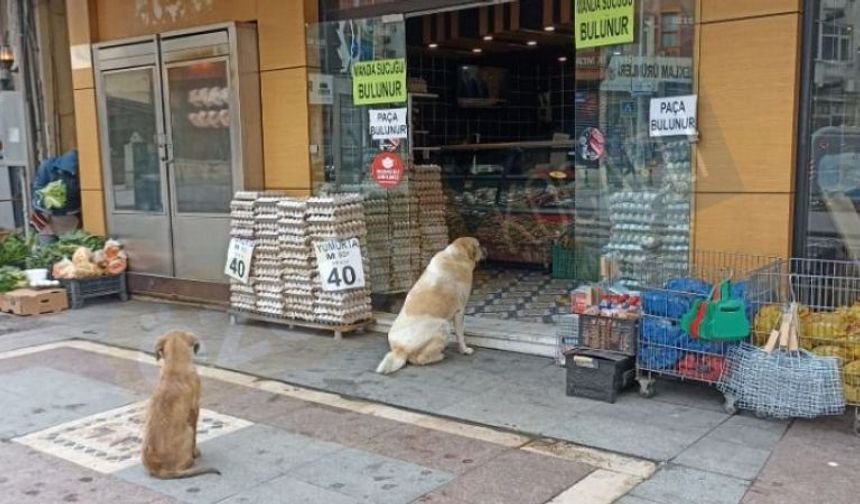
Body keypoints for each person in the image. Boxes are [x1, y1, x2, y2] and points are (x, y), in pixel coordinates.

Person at [30, 149, 81, 244]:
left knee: (68, 249)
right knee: (46, 250)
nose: (73, 174)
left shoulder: (81, 171)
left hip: (69, 217)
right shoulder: (47, 166)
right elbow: (37, 190)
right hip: (46, 216)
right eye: (71, 172)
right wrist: (46, 198)